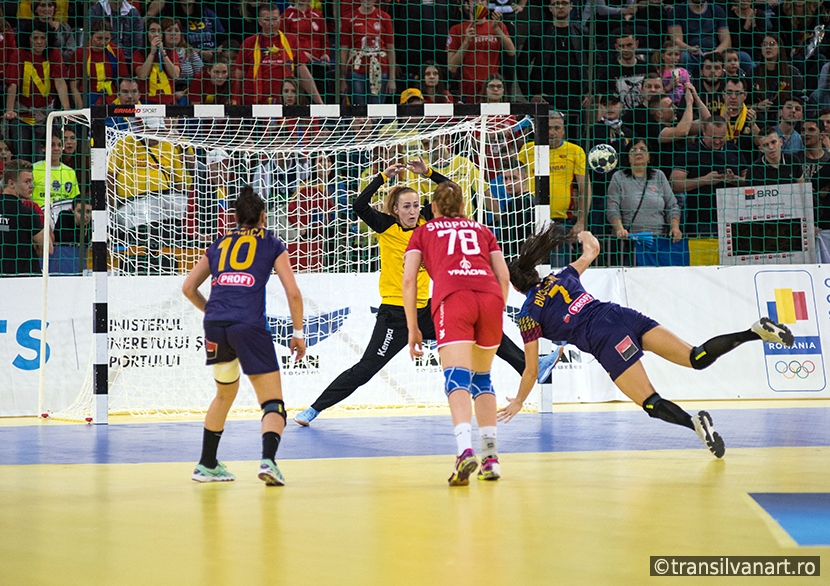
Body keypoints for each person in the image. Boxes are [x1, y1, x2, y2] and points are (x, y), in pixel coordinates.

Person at [498, 225, 796, 458]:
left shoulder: (527, 314)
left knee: (651, 403)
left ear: (514, 286)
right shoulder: (562, 276)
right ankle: (754, 332)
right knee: (696, 357)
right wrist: (584, 234)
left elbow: (531, 369)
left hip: (605, 339)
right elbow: (592, 250)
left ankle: (695, 424)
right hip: (621, 315)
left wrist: (520, 401)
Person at [293, 158, 525, 426]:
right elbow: (359, 205)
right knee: (366, 369)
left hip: (425, 311)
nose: (413, 211)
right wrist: (382, 176)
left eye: (416, 205)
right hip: (395, 315)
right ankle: (314, 408)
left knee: (479, 329)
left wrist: (428, 172)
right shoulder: (386, 226)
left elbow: (450, 190)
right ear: (395, 209)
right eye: (407, 206)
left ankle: (530, 368)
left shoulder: (428, 225)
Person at [182, 185, 305, 486]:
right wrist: (298, 333)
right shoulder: (272, 243)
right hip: (248, 325)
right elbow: (293, 293)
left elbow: (187, 288)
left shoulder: (220, 243)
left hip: (214, 326)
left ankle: (206, 464)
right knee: (272, 403)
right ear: (264, 216)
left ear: (235, 217)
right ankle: (268, 462)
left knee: (224, 394)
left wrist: (213, 311)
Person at [403, 180, 511, 484]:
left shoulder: (422, 232)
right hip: (489, 297)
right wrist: (495, 308)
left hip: (454, 298)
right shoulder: (482, 230)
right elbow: (503, 275)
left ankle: (465, 451)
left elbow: (409, 281)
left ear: (433, 208)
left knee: (456, 378)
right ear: (464, 206)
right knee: (482, 378)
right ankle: (490, 457)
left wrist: (413, 328)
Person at [233, 4, 323, 106]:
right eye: (267, 20)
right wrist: (236, 104)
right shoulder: (249, 43)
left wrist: (319, 103)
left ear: (280, 20)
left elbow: (304, 75)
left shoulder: (291, 40)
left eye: (275, 19)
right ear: (259, 21)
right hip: (254, 105)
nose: (271, 23)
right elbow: (238, 78)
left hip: (285, 104)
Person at [607, 139, 681, 243]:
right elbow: (612, 207)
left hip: (657, 239)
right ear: (628, 158)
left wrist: (675, 228)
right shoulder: (618, 177)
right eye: (633, 150)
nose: (638, 152)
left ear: (649, 157)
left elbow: (672, 205)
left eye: (642, 149)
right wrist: (619, 229)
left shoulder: (659, 175)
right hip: (629, 240)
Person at [447, 0, 516, 102]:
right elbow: (451, 67)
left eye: (483, 0)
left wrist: (497, 30)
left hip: (492, 86)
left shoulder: (498, 25)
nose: (479, 2)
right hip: (469, 86)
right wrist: (466, 42)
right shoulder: (457, 29)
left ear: (487, 4)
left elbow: (511, 52)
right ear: (467, 5)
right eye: (475, 0)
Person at [339, 0, 396, 105]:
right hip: (356, 70)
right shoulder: (349, 18)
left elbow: (390, 49)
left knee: (376, 110)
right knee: (359, 110)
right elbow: (344, 49)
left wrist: (392, 79)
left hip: (380, 69)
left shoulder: (385, 17)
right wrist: (342, 78)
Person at [1, 159, 48, 275]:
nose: (31, 186)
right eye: (27, 182)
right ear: (11, 183)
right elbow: (48, 248)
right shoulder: (27, 213)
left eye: (31, 181)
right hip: (25, 277)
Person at [70, 19, 129, 108]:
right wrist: (81, 108)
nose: (103, 43)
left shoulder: (116, 51)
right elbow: (73, 85)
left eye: (107, 39)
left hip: (112, 98)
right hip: (88, 98)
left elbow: (123, 79)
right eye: (99, 38)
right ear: (90, 36)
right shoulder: (80, 53)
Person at [32, 130, 80, 210]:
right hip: (39, 216)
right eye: (52, 145)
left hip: (63, 218)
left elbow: (74, 200)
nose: (56, 149)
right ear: (43, 148)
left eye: (59, 145)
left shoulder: (70, 172)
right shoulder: (34, 169)